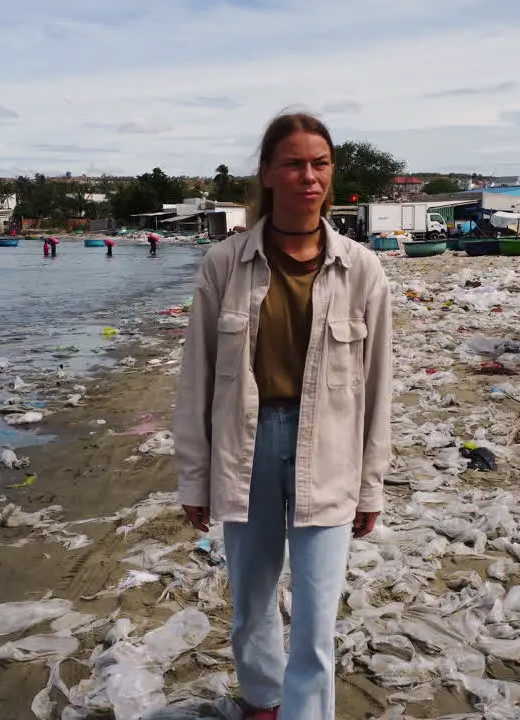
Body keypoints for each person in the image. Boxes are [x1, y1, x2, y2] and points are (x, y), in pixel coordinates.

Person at [174, 112, 393, 720]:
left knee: (318, 614)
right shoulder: (225, 264)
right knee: (251, 600)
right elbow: (197, 379)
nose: (308, 176)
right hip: (245, 448)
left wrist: (371, 484)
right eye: (294, 163)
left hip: (330, 448)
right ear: (268, 173)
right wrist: (195, 477)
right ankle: (263, 703)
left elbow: (379, 386)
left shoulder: (361, 269)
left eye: (319, 164)